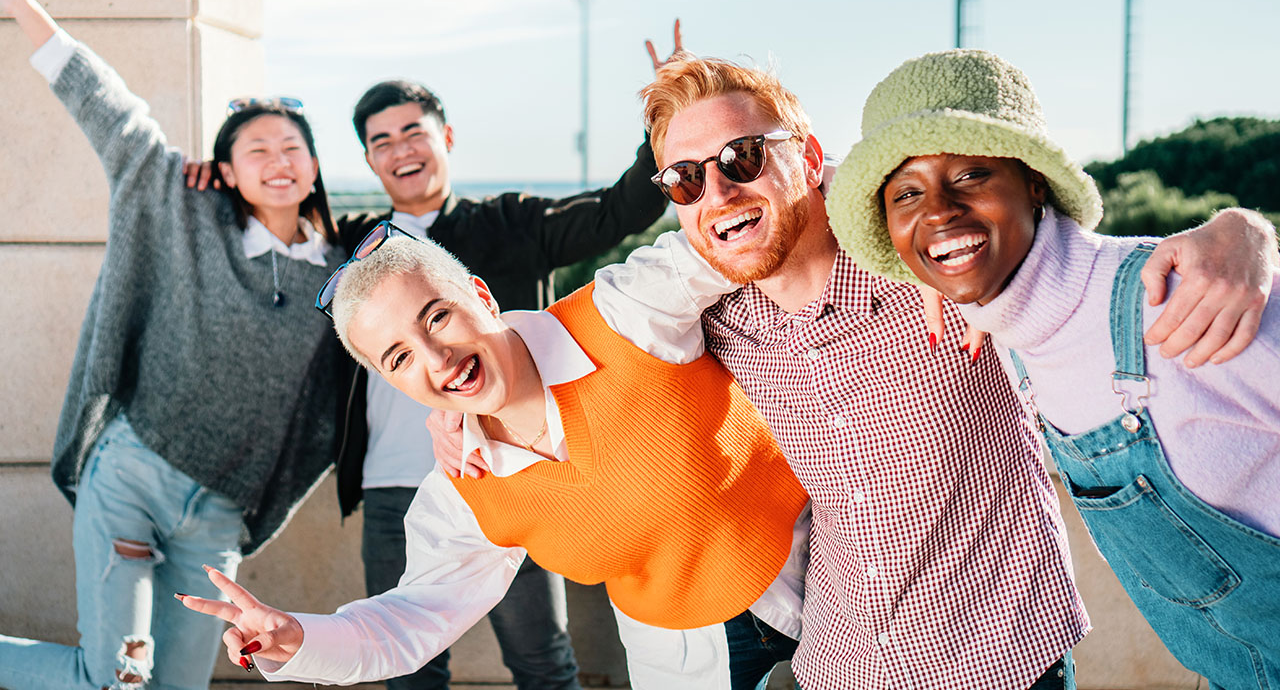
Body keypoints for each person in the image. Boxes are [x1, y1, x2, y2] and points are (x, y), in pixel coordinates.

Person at [442, 51, 1276, 689]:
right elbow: (555, 341)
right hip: (833, 666)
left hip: (997, 663)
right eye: (685, 180)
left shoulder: (936, 266)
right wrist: (458, 405)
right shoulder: (715, 325)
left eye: (741, 159)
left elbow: (1076, 263)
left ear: (808, 155)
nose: (717, 193)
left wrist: (1240, 231)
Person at [179, 226, 811, 690]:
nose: (435, 359)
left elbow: (749, 225)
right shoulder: (463, 489)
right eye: (398, 357)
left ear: (479, 295)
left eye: (437, 317)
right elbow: (411, 619)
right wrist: (297, 638)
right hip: (683, 652)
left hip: (845, 575)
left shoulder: (622, 315)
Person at [825, 48, 1280, 688]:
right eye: (907, 193)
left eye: (971, 175)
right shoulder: (1010, 334)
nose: (937, 211)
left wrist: (1246, 228)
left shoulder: (1188, 297)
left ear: (1035, 180)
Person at [0, 0, 347, 689]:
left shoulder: (345, 278)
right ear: (225, 170)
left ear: (313, 165)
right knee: (117, 682)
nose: (276, 162)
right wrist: (27, 11)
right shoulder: (186, 213)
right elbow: (112, 114)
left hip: (217, 520)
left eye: (290, 148)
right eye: (255, 150)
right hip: (131, 476)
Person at [329, 42, 672, 689]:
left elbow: (620, 212)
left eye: (413, 131)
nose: (401, 150)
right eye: (381, 141)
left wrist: (668, 114)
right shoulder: (351, 246)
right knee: (409, 672)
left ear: (446, 137)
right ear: (369, 160)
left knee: (542, 662)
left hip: (509, 477)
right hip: (391, 490)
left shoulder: (509, 221)